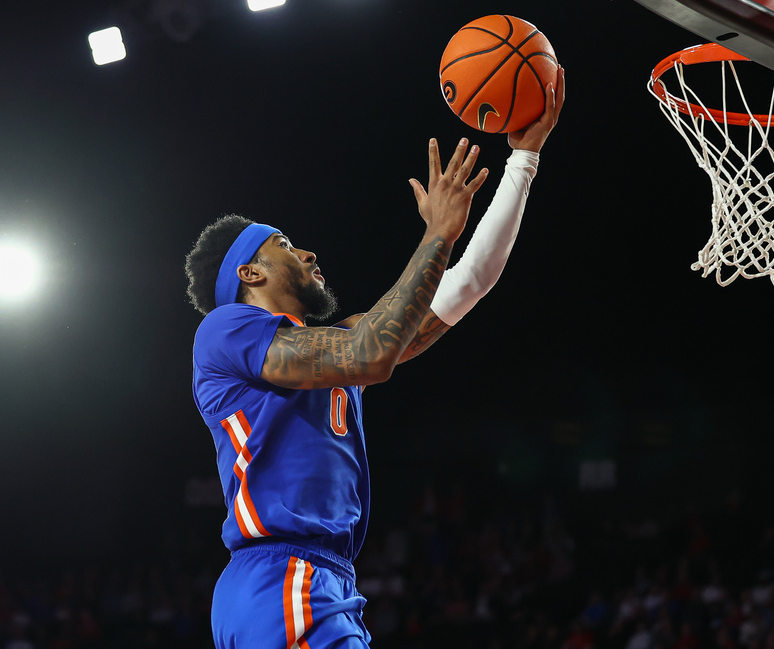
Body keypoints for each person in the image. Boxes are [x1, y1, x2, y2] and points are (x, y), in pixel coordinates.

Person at [185, 67, 564, 649]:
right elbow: (371, 354)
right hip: (280, 581)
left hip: (322, 581)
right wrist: (436, 233)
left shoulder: (330, 351)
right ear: (250, 272)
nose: (308, 251)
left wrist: (524, 161)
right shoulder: (226, 330)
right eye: (284, 244)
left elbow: (467, 285)